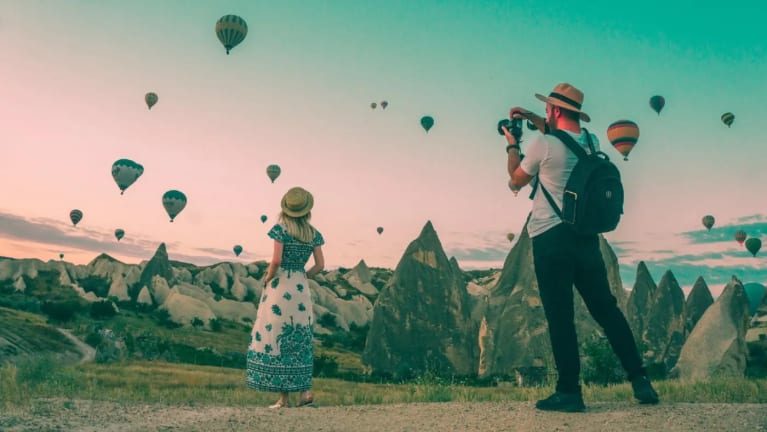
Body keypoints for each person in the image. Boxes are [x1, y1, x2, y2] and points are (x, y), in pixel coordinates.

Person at [502, 83, 659, 412]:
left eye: (547, 109)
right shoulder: (591, 142)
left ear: (555, 111)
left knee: (560, 316)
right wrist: (531, 116)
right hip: (587, 239)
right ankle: (640, 380)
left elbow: (516, 180)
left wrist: (512, 145)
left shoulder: (542, 144)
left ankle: (570, 392)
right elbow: (562, 136)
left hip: (550, 238)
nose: (545, 114)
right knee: (607, 310)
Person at [246, 186, 325, 409]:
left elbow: (276, 261)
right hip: (300, 288)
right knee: (301, 337)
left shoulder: (280, 229)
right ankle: (306, 393)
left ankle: (284, 399)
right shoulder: (314, 233)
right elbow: (320, 265)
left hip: (280, 287)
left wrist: (267, 278)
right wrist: (303, 276)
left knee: (278, 335)